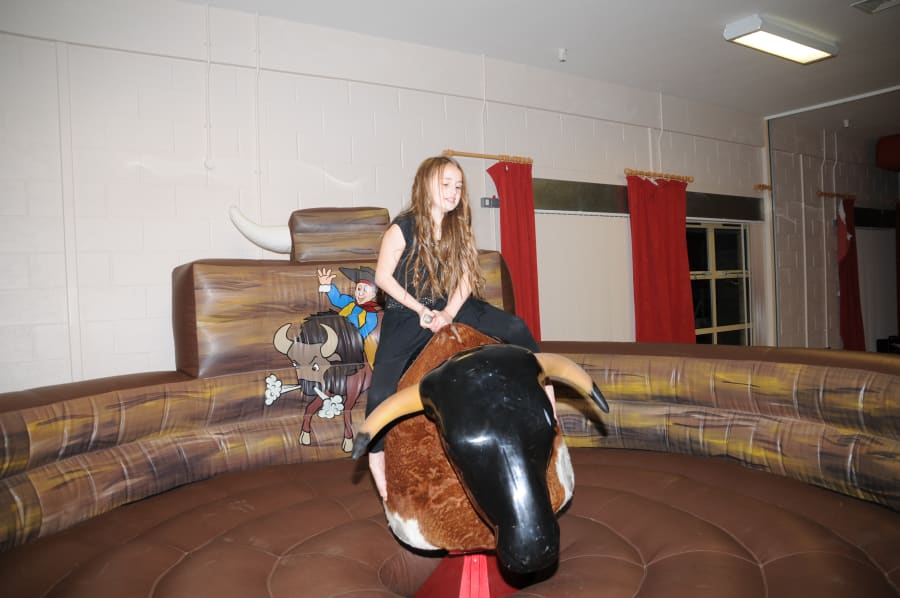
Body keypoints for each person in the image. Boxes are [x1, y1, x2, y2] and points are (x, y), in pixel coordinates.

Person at [366, 155, 552, 500]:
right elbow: (382, 278)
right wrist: (421, 310)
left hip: (451, 302)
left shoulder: (459, 226)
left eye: (458, 186)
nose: (453, 192)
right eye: (446, 184)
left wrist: (450, 312)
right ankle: (376, 462)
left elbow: (466, 276)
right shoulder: (403, 227)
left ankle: (546, 393)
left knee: (516, 326)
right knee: (380, 393)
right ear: (427, 186)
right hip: (407, 310)